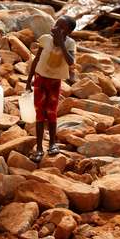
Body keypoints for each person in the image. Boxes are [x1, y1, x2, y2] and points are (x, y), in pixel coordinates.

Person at [26, 15, 77, 161]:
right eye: (56, 25)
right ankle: (40, 147)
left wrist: (61, 44)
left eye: (61, 28)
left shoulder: (70, 44)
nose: (56, 28)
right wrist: (29, 80)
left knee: (52, 112)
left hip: (54, 82)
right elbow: (36, 59)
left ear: (68, 32)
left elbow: (70, 61)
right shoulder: (45, 39)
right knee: (40, 113)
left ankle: (53, 143)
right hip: (40, 80)